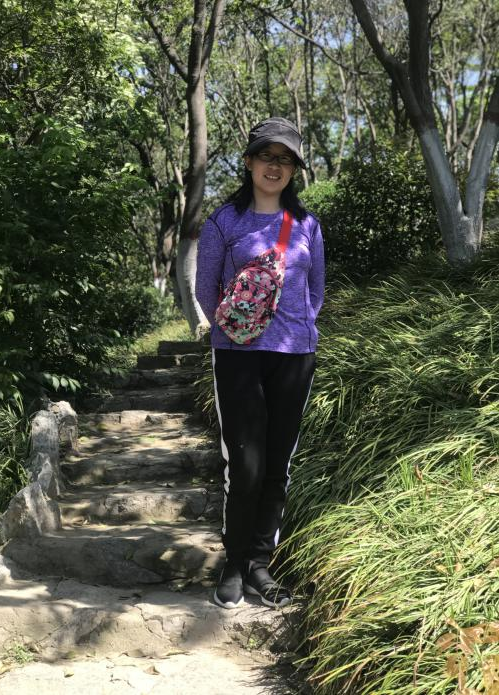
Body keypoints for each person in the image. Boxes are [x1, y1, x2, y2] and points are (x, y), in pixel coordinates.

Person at [195, 117, 325, 610]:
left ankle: (259, 564)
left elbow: (315, 292)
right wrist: (237, 331)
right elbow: (206, 289)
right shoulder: (223, 222)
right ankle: (233, 562)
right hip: (238, 357)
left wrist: (295, 330)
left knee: (277, 464)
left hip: (295, 356)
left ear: (294, 170)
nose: (275, 166)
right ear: (249, 161)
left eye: (285, 159)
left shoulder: (308, 226)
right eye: (267, 156)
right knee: (245, 464)